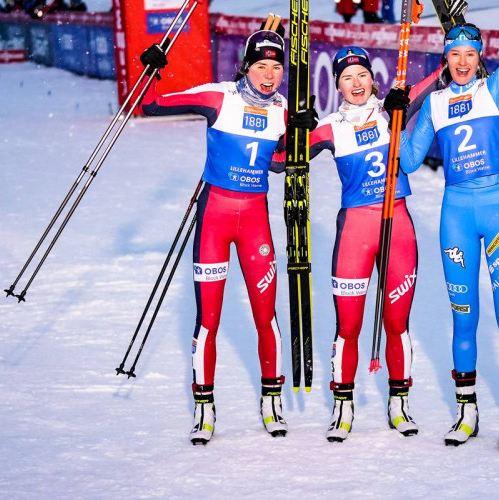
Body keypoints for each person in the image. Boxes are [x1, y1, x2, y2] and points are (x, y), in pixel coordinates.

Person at [137, 24, 317, 445]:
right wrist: (153, 70)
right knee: (210, 319)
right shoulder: (220, 96)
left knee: (265, 316)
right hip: (214, 218)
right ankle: (204, 409)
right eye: (261, 66)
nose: (269, 74)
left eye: (276, 66)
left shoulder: (280, 109)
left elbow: (276, 163)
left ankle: (270, 401)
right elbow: (152, 105)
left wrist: (298, 135)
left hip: (255, 220)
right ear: (246, 67)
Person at [384, 2, 499, 450]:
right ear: (445, 59)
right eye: (454, 54)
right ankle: (467, 411)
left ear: (480, 58)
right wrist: (395, 114)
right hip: (456, 213)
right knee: (463, 318)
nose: (462, 62)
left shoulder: (494, 90)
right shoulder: (436, 104)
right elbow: (409, 160)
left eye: (470, 55)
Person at [307, 46, 440, 442]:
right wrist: (296, 127)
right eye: (347, 78)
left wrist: (455, 38)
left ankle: (399, 403)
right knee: (348, 325)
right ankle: (343, 408)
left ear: (372, 78)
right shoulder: (330, 127)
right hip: (355, 231)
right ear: (338, 86)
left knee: (397, 322)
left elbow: (442, 79)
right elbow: (280, 159)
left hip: (397, 224)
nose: (356, 84)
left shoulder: (391, 111)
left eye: (361, 75)